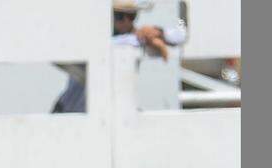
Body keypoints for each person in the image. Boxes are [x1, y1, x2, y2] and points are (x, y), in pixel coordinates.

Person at [52, 0, 188, 113]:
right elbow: (107, 45)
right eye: (119, 16)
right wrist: (143, 38)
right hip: (70, 112)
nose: (126, 22)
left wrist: (158, 32)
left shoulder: (138, 36)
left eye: (131, 16)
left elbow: (181, 36)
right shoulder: (96, 38)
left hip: (106, 115)